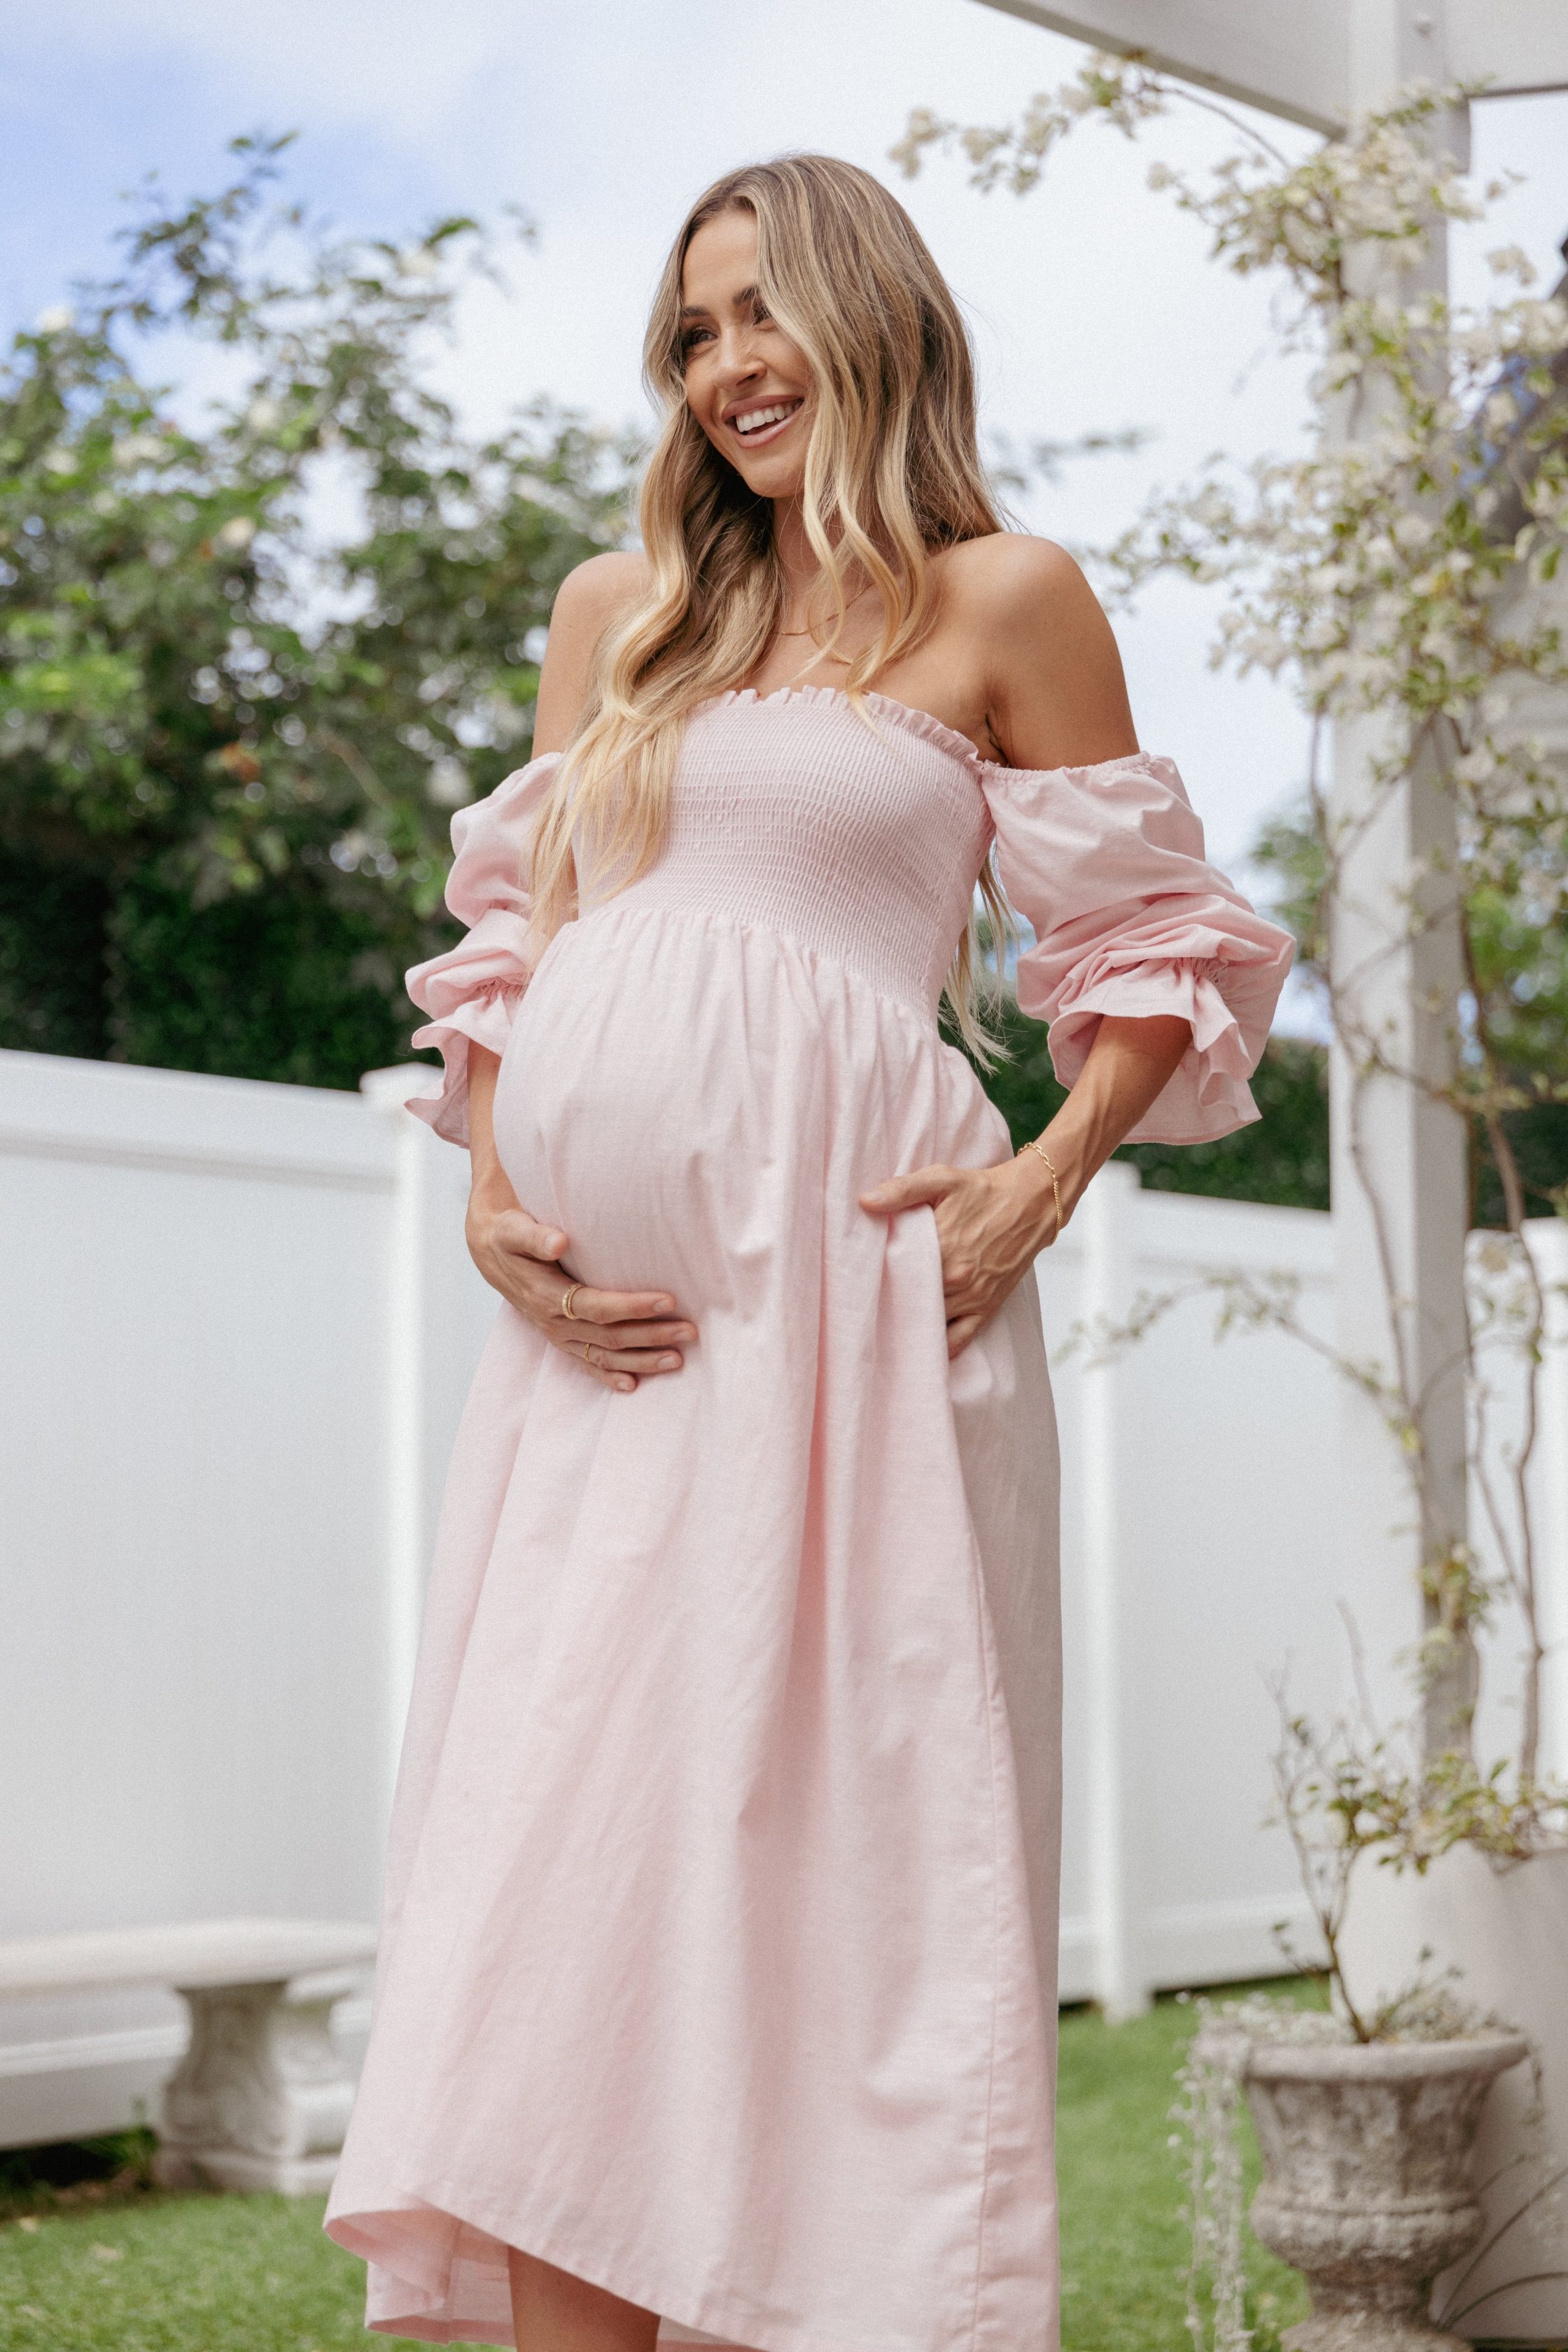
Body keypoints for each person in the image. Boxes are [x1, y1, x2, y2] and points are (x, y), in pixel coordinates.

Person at [325, 153, 1293, 2352]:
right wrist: (491, 1191)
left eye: (763, 312)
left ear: (873, 318)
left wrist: (1047, 1177)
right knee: (566, 1876)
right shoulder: (623, 608)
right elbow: (519, 949)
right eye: (694, 333)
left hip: (862, 1328)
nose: (728, 366)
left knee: (828, 1868)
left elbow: (1151, 946)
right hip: (604, 1353)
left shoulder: (1003, 601)